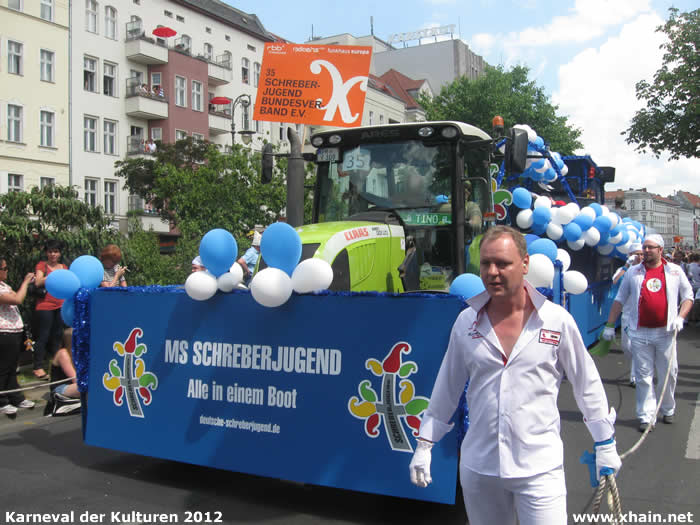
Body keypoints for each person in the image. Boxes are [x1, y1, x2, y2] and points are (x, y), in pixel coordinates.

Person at [409, 226, 620, 524]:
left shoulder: (556, 321)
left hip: (539, 468)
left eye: (503, 263)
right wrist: (424, 445)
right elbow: (447, 386)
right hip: (480, 468)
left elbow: (587, 383)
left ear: (524, 264)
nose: (492, 272)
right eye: (486, 263)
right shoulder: (466, 322)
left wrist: (605, 443)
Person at [603, 234, 693, 432]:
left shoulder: (675, 271)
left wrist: (680, 317)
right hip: (640, 332)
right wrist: (610, 325)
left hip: (666, 332)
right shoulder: (633, 272)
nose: (646, 251)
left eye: (651, 247)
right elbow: (619, 298)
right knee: (644, 376)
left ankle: (668, 408)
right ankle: (646, 415)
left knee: (669, 373)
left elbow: (688, 296)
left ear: (660, 250)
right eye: (645, 247)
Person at [0, 257, 36, 415]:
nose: (7, 271)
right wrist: (25, 282)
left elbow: (17, 294)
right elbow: (17, 299)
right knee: (3, 368)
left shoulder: (4, 285)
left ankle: (16, 397)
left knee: (12, 368)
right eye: (4, 268)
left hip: (15, 332)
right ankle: (2, 400)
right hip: (3, 332)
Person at [33, 240, 68, 380]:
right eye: (50, 251)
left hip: (60, 305)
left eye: (56, 251)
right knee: (43, 336)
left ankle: (56, 364)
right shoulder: (42, 265)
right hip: (45, 305)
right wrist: (54, 275)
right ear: (47, 253)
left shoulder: (64, 267)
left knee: (58, 336)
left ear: (59, 253)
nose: (53, 254)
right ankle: (38, 367)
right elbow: (38, 282)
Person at [611, 243, 644, 386]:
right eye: (636, 254)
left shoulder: (645, 269)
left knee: (636, 346)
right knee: (626, 346)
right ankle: (639, 365)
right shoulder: (623, 269)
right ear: (630, 255)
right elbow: (615, 281)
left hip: (642, 314)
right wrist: (626, 266)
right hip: (627, 313)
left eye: (641, 254)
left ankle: (635, 375)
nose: (640, 256)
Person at [50, 328, 79, 399]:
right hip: (61, 387)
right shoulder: (63, 354)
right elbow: (75, 379)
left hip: (74, 385)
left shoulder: (79, 353)